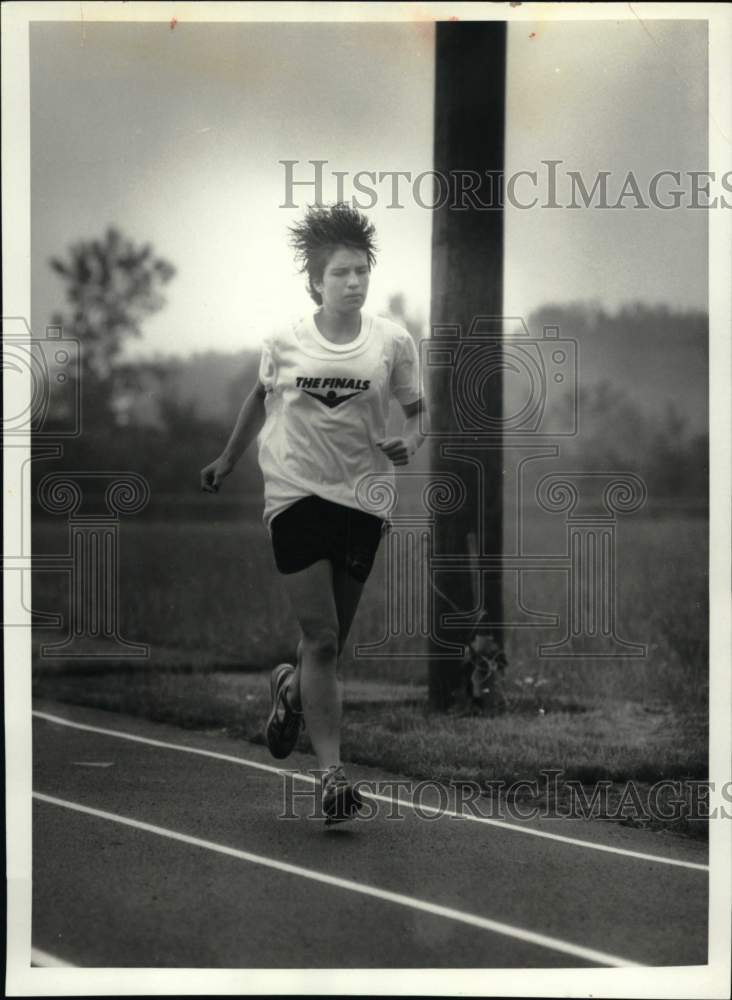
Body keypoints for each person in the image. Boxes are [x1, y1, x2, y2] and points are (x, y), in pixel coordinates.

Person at [200, 203, 428, 824]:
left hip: (364, 499)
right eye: (341, 273)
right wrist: (227, 459)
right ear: (316, 282)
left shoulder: (393, 341)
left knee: (329, 644)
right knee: (322, 638)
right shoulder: (284, 340)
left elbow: (416, 412)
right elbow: (259, 397)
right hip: (295, 494)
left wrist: (411, 441)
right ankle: (332, 778)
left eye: (362, 271)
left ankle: (289, 690)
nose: (354, 283)